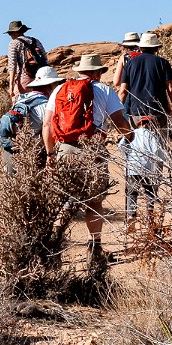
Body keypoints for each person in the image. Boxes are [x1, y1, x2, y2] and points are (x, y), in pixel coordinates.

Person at [42, 54, 132, 267]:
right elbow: (120, 122)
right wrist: (131, 136)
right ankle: (95, 249)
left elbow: (47, 126)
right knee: (94, 201)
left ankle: (55, 248)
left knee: (65, 200)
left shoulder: (59, 90)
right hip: (93, 150)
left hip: (65, 149)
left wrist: (50, 155)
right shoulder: (104, 91)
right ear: (98, 72)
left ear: (80, 71)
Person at [0, 66, 65, 175]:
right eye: (55, 85)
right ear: (50, 85)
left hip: (10, 151)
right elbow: (49, 130)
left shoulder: (22, 99)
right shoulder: (45, 105)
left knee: (13, 187)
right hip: (31, 155)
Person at [119, 32, 172, 134]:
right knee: (160, 144)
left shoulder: (130, 64)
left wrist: (117, 112)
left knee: (138, 144)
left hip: (136, 113)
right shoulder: (163, 63)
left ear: (141, 48)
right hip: (158, 112)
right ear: (156, 48)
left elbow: (123, 92)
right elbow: (171, 89)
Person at [119, 115, 168, 238]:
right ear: (150, 125)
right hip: (147, 168)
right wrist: (165, 160)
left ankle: (131, 215)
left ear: (138, 124)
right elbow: (157, 150)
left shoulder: (131, 133)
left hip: (132, 167)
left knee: (131, 192)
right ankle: (150, 217)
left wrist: (127, 158)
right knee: (150, 193)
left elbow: (121, 146)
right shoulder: (152, 135)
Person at [5, 20, 48, 100]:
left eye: (10, 34)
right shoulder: (36, 41)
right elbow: (45, 59)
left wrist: (11, 85)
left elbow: (12, 65)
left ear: (14, 32)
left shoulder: (13, 43)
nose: (10, 36)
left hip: (24, 78)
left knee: (20, 108)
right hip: (40, 78)